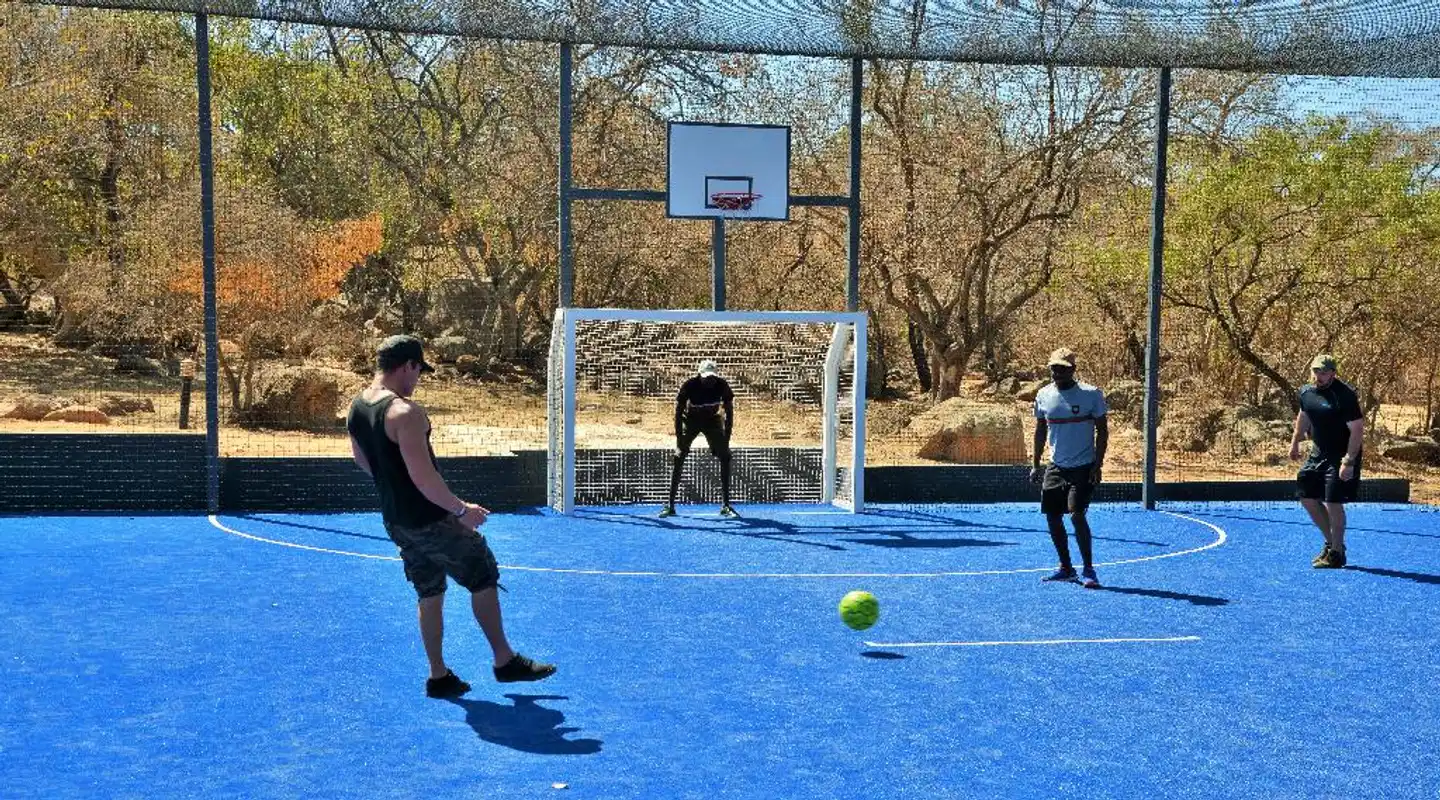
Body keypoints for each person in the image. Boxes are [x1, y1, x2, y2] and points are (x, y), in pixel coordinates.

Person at [347, 334, 555, 697]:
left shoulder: (358, 407)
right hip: (430, 519)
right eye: (418, 371)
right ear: (407, 365)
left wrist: (394, 485)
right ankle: (504, 660)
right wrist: (462, 510)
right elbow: (424, 477)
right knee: (482, 573)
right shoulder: (405, 414)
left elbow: (363, 463)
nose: (418, 380)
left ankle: (439, 675)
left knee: (429, 591)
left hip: (397, 520)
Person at [1030, 347, 1109, 589]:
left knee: (1076, 515)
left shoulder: (1091, 394)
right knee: (1053, 517)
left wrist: (1098, 464)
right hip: (1056, 466)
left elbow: (1103, 430)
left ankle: (1089, 569)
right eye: (1054, 367)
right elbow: (1040, 430)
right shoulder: (1043, 395)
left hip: (1083, 466)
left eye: (1063, 368)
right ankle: (1066, 568)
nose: (1057, 372)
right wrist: (1035, 464)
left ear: (1073, 370)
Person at [1289, 354, 1364, 569]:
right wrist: (1295, 442)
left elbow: (1357, 429)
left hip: (1341, 455)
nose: (1318, 376)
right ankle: (1332, 543)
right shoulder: (1306, 392)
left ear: (1333, 373)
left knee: (1332, 502)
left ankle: (1337, 553)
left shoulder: (1345, 395)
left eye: (1323, 372)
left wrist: (1348, 461)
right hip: (1318, 453)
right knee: (1307, 497)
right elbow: (1304, 415)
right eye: (1315, 371)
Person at [660, 358, 736, 517]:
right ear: (700, 375)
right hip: (692, 420)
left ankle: (726, 505)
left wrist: (726, 441)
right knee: (679, 456)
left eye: (712, 377)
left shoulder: (722, 385)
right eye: (707, 377)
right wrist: (679, 439)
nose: (710, 380)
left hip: (712, 420)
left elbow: (729, 413)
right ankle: (670, 505)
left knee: (725, 456)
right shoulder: (689, 385)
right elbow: (678, 413)